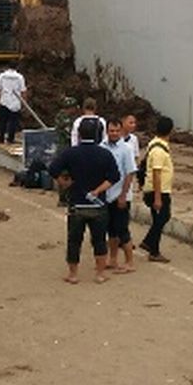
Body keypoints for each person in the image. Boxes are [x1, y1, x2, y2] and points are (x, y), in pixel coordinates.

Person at [47, 118, 120, 284]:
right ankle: (100, 274)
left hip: (77, 204)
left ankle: (73, 274)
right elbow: (114, 177)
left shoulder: (70, 153)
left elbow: (52, 169)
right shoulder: (105, 154)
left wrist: (64, 183)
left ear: (79, 134)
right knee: (99, 241)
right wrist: (98, 190)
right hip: (98, 205)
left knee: (74, 240)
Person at [103, 117, 137, 272]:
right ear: (107, 131)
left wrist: (123, 195)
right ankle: (113, 259)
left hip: (121, 195)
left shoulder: (126, 149)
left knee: (122, 230)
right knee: (111, 230)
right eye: (111, 131)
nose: (114, 133)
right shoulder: (102, 147)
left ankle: (130, 262)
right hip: (107, 195)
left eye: (117, 131)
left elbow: (130, 173)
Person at [140, 115, 175, 263]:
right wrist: (158, 197)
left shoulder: (155, 144)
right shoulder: (159, 150)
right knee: (163, 217)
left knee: (158, 219)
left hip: (156, 190)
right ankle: (150, 244)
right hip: (158, 191)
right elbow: (156, 173)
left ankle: (153, 248)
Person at [0, 65, 27, 145]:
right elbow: (23, 91)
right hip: (15, 103)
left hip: (4, 101)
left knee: (2, 122)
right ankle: (10, 140)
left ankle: (1, 139)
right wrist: (24, 102)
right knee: (13, 122)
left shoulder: (2, 76)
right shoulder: (20, 77)